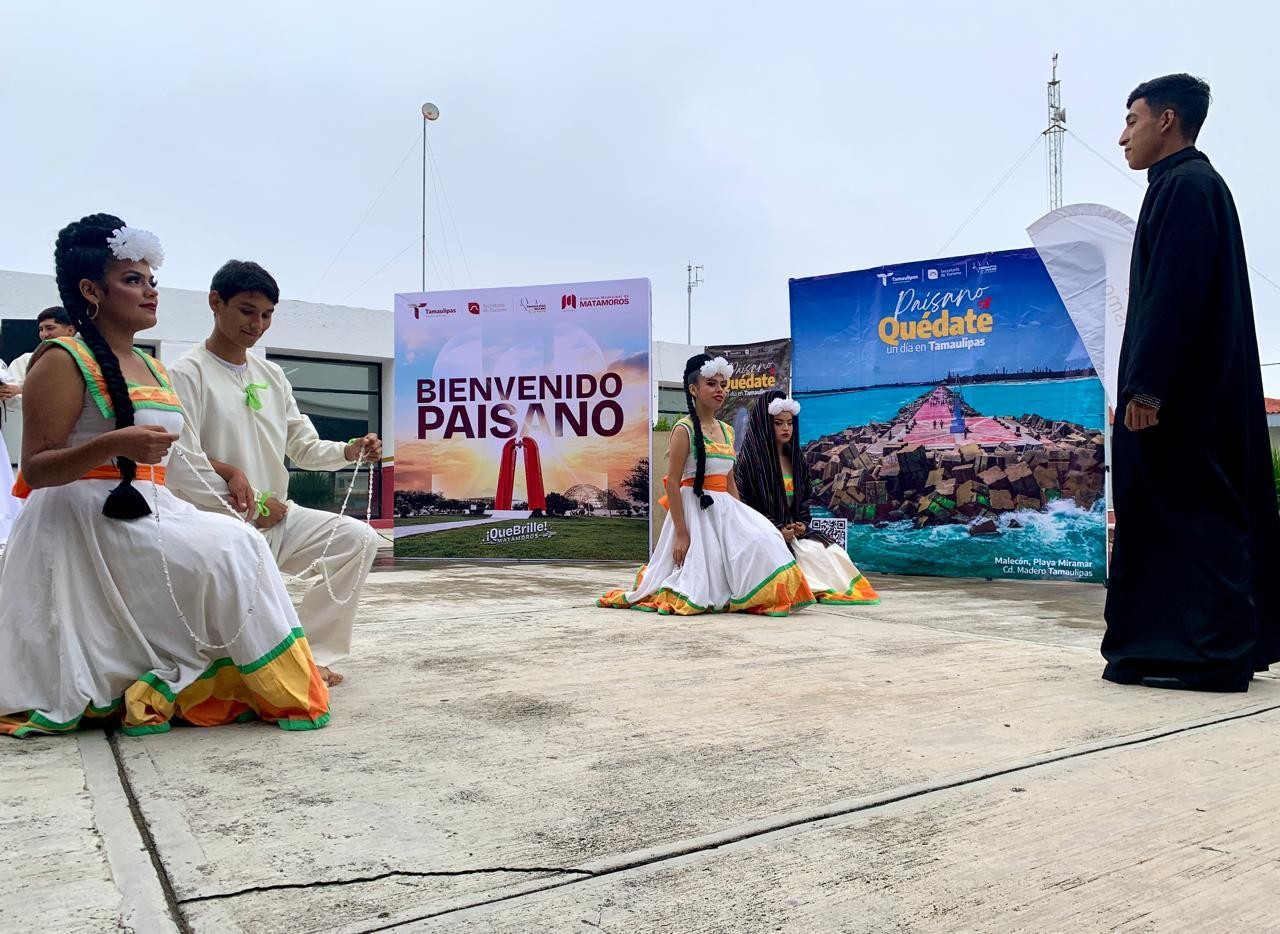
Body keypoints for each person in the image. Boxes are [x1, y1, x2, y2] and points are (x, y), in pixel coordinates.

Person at [0, 214, 329, 737]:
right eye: (133, 280)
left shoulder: (149, 365)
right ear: (91, 290)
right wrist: (111, 444)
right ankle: (247, 679)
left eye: (152, 280)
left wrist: (228, 473)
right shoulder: (62, 359)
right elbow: (37, 469)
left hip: (148, 506)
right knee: (228, 550)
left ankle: (252, 675)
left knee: (239, 543)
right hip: (84, 519)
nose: (151, 292)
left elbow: (177, 455)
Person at [1104, 74, 1280, 692]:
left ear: (1167, 120)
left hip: (1180, 400)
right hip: (1196, 391)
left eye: (1132, 119)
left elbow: (1173, 294)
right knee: (1183, 514)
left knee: (1192, 516)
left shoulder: (1185, 187)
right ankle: (1177, 648)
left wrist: (1146, 388)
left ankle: (1210, 656)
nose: (1122, 135)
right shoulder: (1188, 187)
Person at [166, 260, 380, 687]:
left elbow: (302, 446)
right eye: (247, 310)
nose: (257, 324)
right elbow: (181, 462)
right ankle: (263, 659)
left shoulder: (272, 375)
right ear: (215, 302)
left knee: (357, 539)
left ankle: (310, 653)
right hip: (218, 524)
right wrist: (254, 507)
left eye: (266, 315)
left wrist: (349, 449)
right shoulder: (185, 373)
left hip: (275, 515)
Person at [598, 354, 814, 616]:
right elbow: (673, 483)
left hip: (724, 508)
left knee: (767, 537)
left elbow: (730, 480)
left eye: (723, 385)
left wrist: (743, 520)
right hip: (695, 512)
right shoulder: (684, 429)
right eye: (711, 384)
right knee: (701, 583)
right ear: (693, 389)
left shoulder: (726, 430)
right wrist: (681, 533)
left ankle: (755, 596)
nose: (719, 390)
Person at [735, 390, 880, 605]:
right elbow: (744, 505)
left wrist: (802, 523)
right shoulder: (748, 462)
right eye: (778, 423)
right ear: (764, 424)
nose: (786, 428)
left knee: (830, 553)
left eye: (789, 423)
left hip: (793, 531)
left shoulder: (796, 459)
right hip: (763, 533)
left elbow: (805, 498)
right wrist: (775, 528)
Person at [1, 307, 76, 466]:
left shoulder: (88, 361)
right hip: (38, 441)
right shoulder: (27, 360)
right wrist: (7, 393)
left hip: (78, 438)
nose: (44, 334)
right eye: (41, 329)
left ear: (70, 330)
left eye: (50, 328)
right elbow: (14, 400)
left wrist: (23, 391)